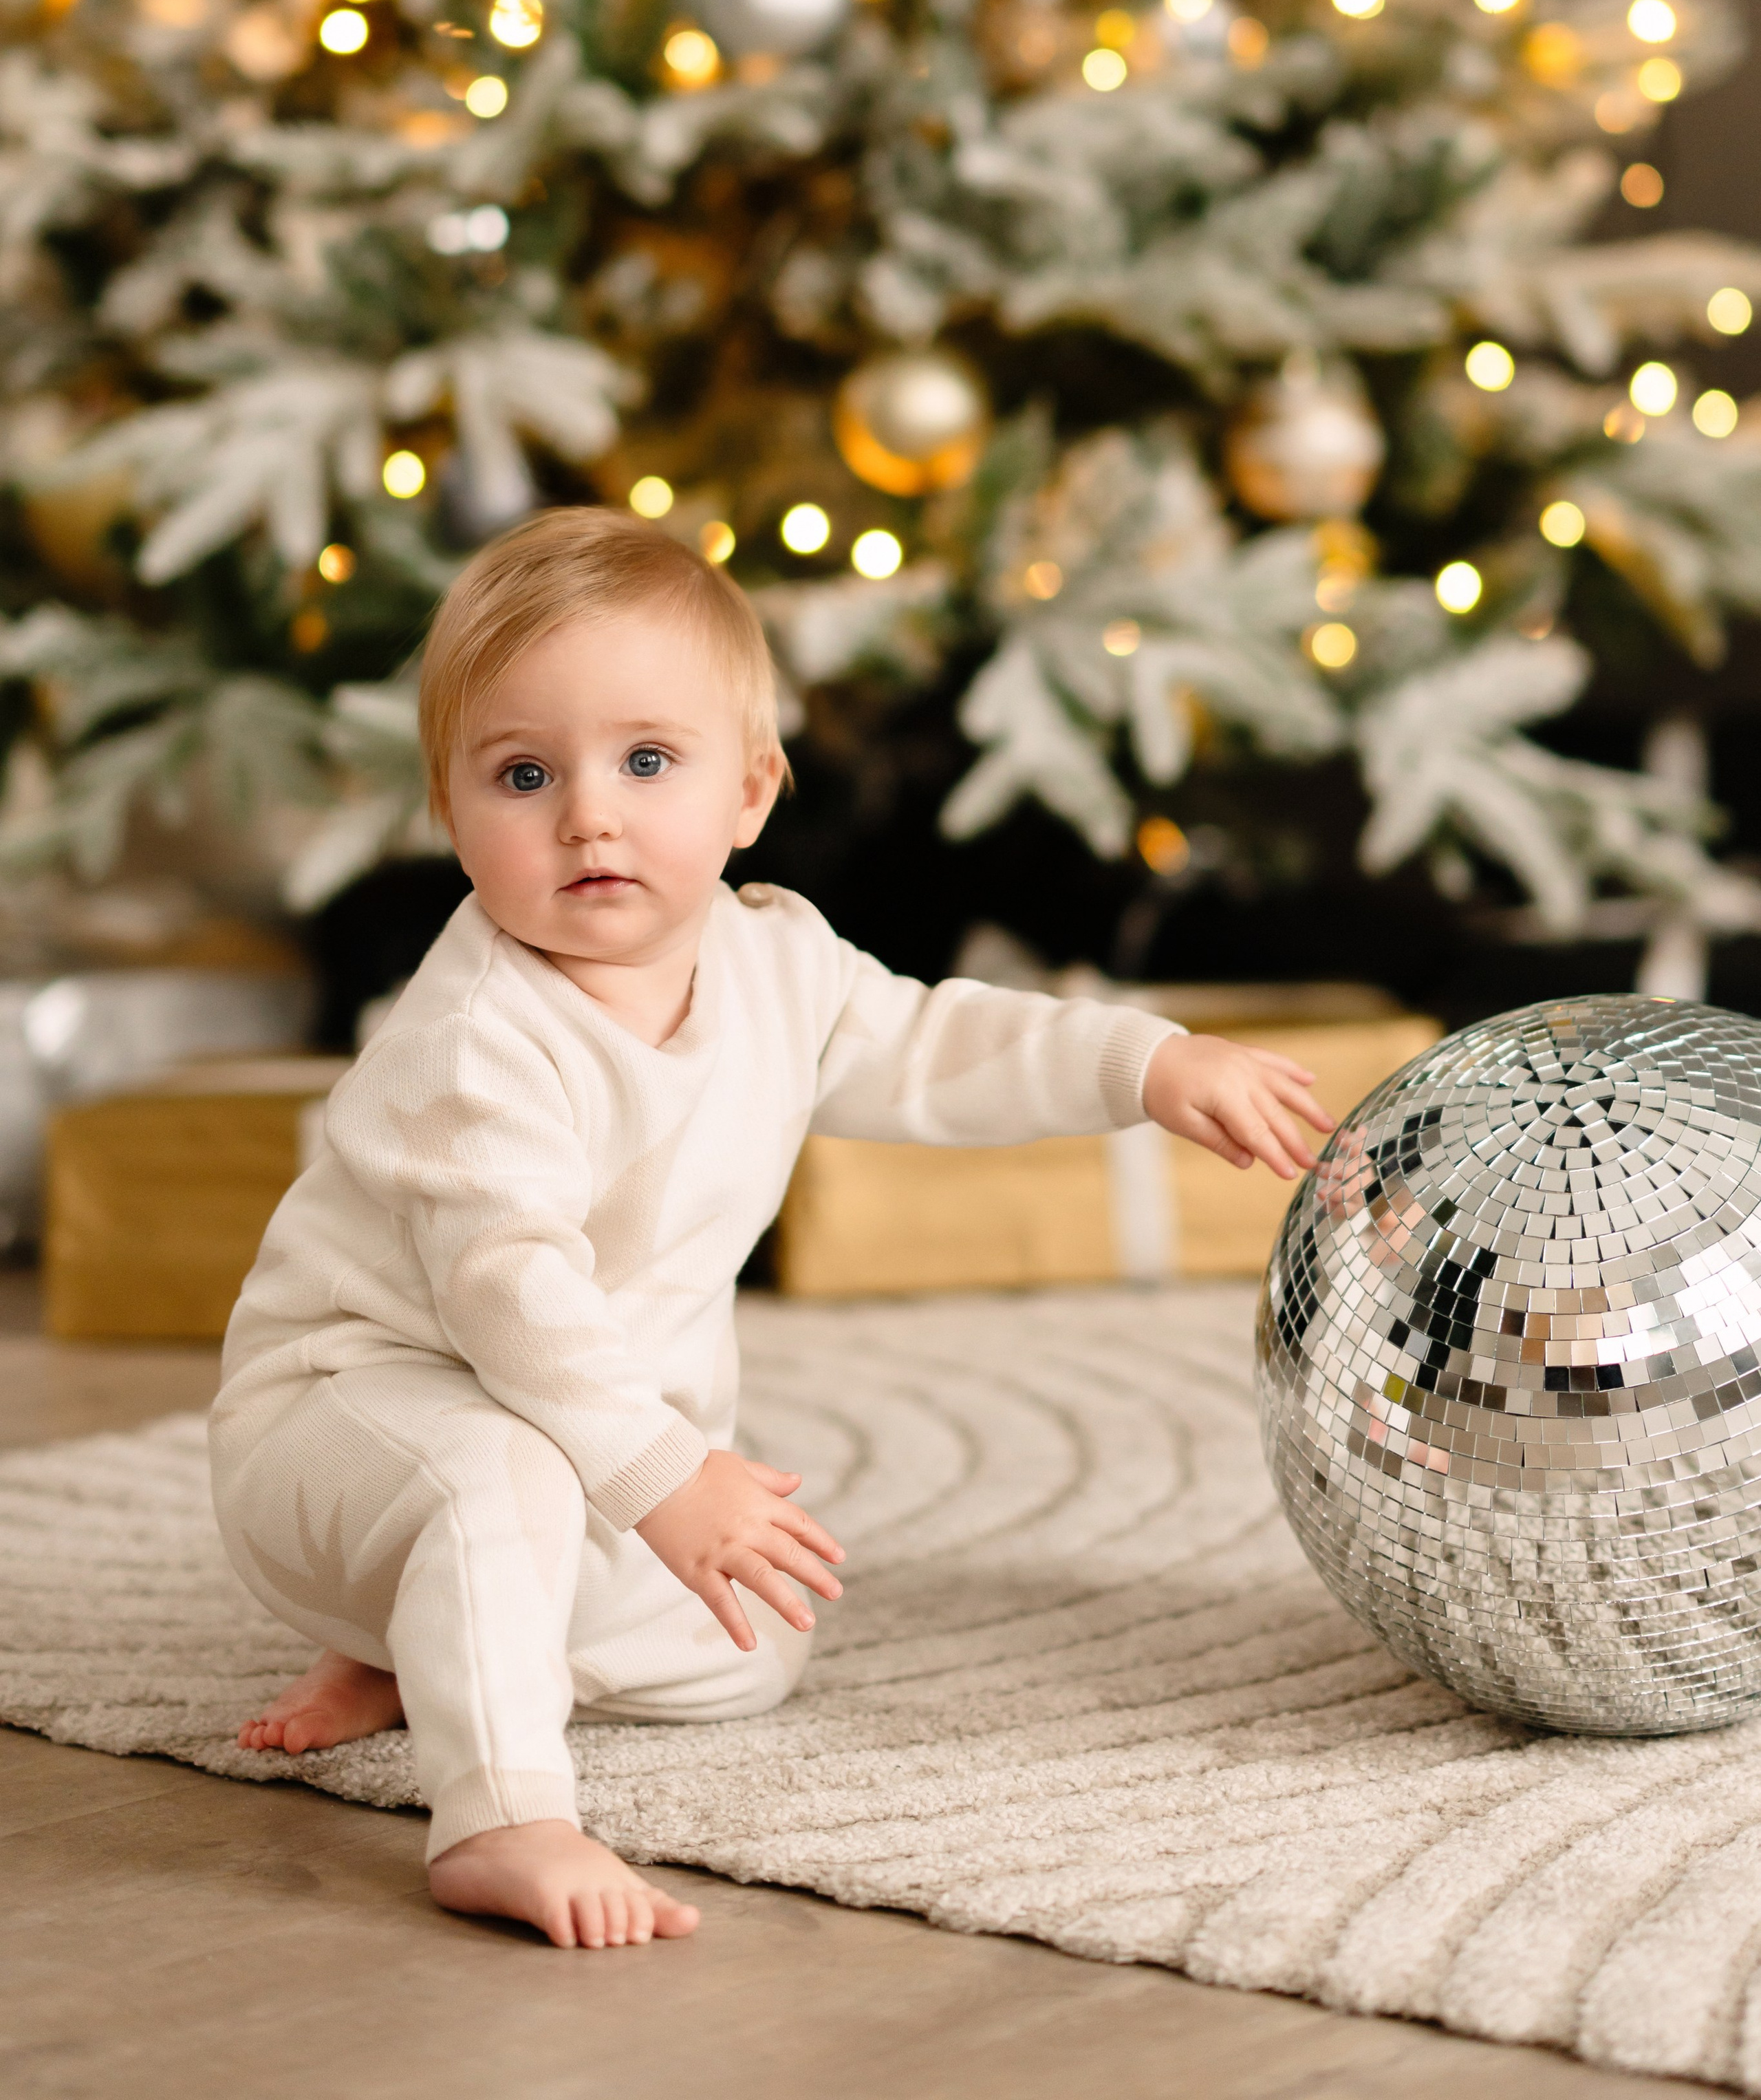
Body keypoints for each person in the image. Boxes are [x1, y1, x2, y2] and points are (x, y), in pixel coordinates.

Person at [210, 508, 1334, 1951]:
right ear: (449, 810)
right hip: (337, 1422)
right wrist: (668, 1477)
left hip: (565, 1429)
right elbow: (509, 1296)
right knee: (493, 1479)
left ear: (752, 791)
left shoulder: (773, 965)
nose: (587, 816)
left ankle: (418, 1648)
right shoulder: (475, 1043)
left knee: (735, 1653)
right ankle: (499, 1817)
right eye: (522, 774)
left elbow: (942, 1044)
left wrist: (1147, 1065)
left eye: (647, 762)